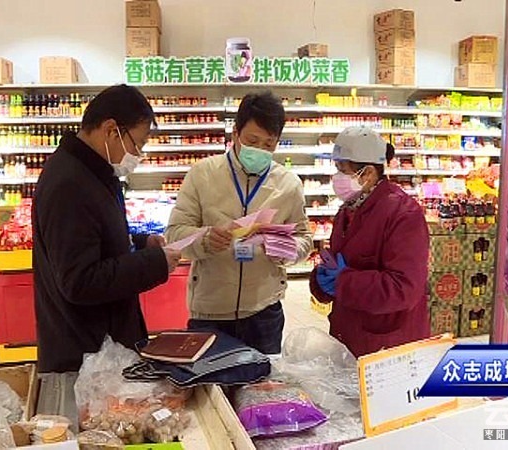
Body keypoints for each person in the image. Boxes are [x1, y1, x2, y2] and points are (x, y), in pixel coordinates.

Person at [32, 84, 181, 375]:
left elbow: (95, 238)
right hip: (84, 357)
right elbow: (80, 281)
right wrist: (154, 264)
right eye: (137, 144)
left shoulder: (92, 172)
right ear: (112, 130)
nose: (138, 154)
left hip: (99, 347)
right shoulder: (69, 185)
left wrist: (139, 243)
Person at [166, 91, 313, 355]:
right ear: (235, 134)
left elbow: (304, 239)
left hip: (264, 312)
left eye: (268, 144)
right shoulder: (202, 174)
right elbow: (175, 235)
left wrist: (285, 249)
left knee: (262, 381)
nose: (260, 150)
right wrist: (206, 239)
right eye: (252, 141)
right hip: (210, 312)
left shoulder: (289, 184)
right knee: (210, 381)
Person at [309, 126, 430, 358]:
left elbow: (404, 288)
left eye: (343, 170)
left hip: (388, 347)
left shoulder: (404, 214)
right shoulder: (348, 210)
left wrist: (343, 281)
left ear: (368, 173)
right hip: (349, 336)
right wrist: (322, 280)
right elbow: (342, 263)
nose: (337, 178)